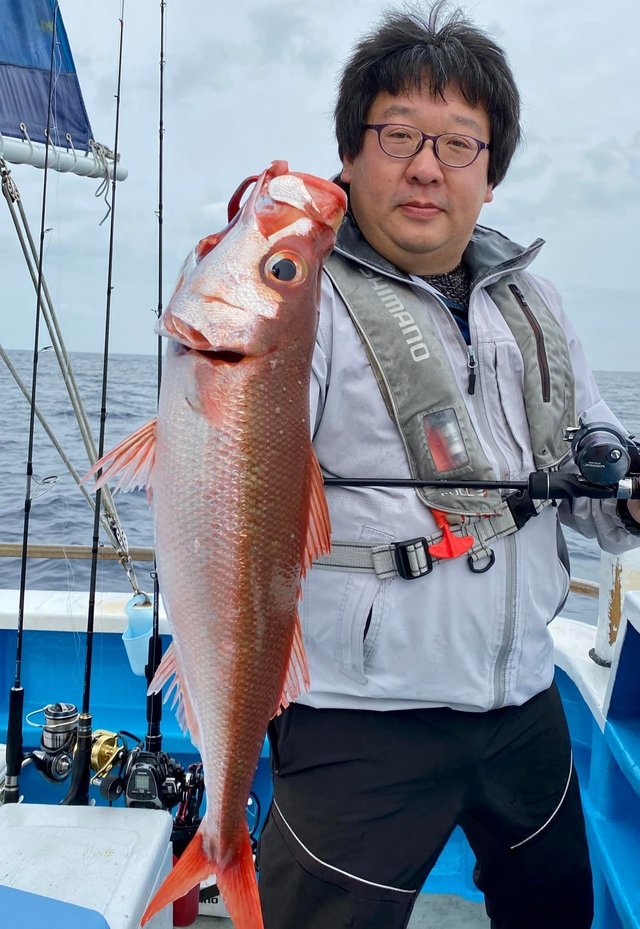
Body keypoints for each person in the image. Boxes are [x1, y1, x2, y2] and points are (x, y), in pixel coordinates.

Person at [257, 4, 640, 928]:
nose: (428, 166)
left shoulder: (535, 301)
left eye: (460, 143)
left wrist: (628, 500)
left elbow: (594, 479)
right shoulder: (299, 297)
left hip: (522, 697)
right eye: (399, 135)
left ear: (490, 176)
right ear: (349, 154)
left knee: (555, 912)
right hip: (356, 714)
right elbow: (232, 476)